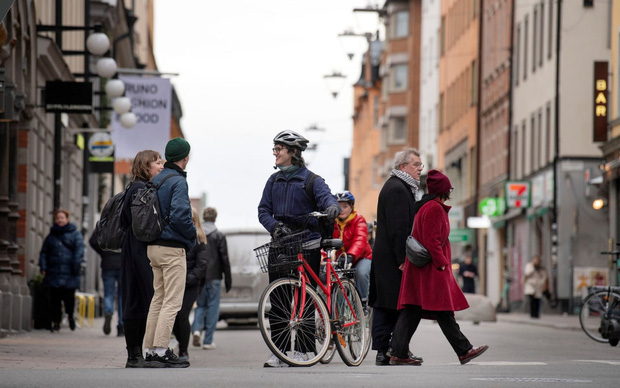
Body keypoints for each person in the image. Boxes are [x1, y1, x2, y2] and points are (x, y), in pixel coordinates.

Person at [258, 130, 340, 367]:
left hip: (307, 245)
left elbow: (327, 198)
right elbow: (263, 210)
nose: (275, 153)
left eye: (278, 149)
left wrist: (332, 207)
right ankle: (279, 351)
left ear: (293, 152)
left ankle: (304, 350)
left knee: (305, 298)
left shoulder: (312, 180)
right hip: (280, 245)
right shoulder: (273, 181)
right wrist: (275, 226)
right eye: (274, 149)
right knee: (279, 299)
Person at [390, 169, 489, 366]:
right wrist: (443, 263)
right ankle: (464, 350)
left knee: (413, 311)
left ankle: (399, 353)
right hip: (430, 271)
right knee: (442, 311)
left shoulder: (425, 207)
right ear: (444, 190)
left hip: (421, 270)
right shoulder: (434, 208)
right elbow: (432, 241)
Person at [144, 137, 196, 368]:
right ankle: (163, 350)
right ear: (186, 157)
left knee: (158, 299)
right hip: (172, 247)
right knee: (173, 302)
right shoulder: (178, 181)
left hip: (153, 246)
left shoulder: (156, 180)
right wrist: (192, 236)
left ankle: (150, 350)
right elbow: (181, 216)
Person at [368, 147, 424, 366]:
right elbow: (398, 228)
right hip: (392, 258)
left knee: (389, 304)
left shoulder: (399, 187)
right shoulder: (398, 189)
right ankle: (391, 350)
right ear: (403, 167)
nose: (420, 169)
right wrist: (402, 259)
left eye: (421, 165)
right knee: (394, 305)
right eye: (416, 164)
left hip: (387, 257)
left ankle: (389, 351)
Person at [120, 149, 163, 368]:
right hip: (139, 247)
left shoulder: (132, 187)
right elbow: (143, 225)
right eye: (157, 162)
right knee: (143, 299)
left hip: (132, 247)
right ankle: (135, 354)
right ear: (146, 166)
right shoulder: (141, 189)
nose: (161, 165)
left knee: (135, 299)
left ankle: (135, 354)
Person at [191, 207, 232, 350]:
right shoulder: (219, 235)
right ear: (215, 218)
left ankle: (196, 330)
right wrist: (228, 279)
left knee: (200, 306)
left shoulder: (197, 234)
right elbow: (224, 259)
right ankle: (208, 341)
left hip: (200, 277)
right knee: (213, 307)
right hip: (215, 277)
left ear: (203, 217)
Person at [39, 209, 84, 332]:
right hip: (54, 272)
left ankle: (70, 316)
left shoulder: (75, 234)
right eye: (58, 218)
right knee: (55, 300)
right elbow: (44, 252)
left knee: (69, 298)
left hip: (70, 272)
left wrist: (75, 265)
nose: (60, 220)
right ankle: (56, 322)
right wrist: (43, 267)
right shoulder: (51, 236)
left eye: (62, 218)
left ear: (67, 219)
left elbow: (79, 250)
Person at [172, 208, 208, 361]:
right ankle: (179, 344)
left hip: (190, 285)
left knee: (182, 315)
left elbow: (201, 265)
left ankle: (184, 351)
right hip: (175, 282)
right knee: (173, 316)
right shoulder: (176, 237)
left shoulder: (200, 240)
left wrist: (186, 279)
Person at [332, 191, 372, 308]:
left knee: (361, 273)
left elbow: (360, 240)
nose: (342, 210)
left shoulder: (359, 219)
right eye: (339, 206)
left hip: (361, 258)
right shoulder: (333, 222)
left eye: (345, 206)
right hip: (341, 260)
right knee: (335, 279)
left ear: (351, 207)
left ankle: (363, 303)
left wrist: (350, 256)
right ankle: (338, 311)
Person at [88, 232, 123, 336]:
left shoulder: (105, 221)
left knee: (108, 293)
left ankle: (108, 312)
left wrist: (104, 252)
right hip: (123, 262)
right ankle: (121, 326)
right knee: (122, 296)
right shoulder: (125, 219)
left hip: (107, 263)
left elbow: (93, 241)